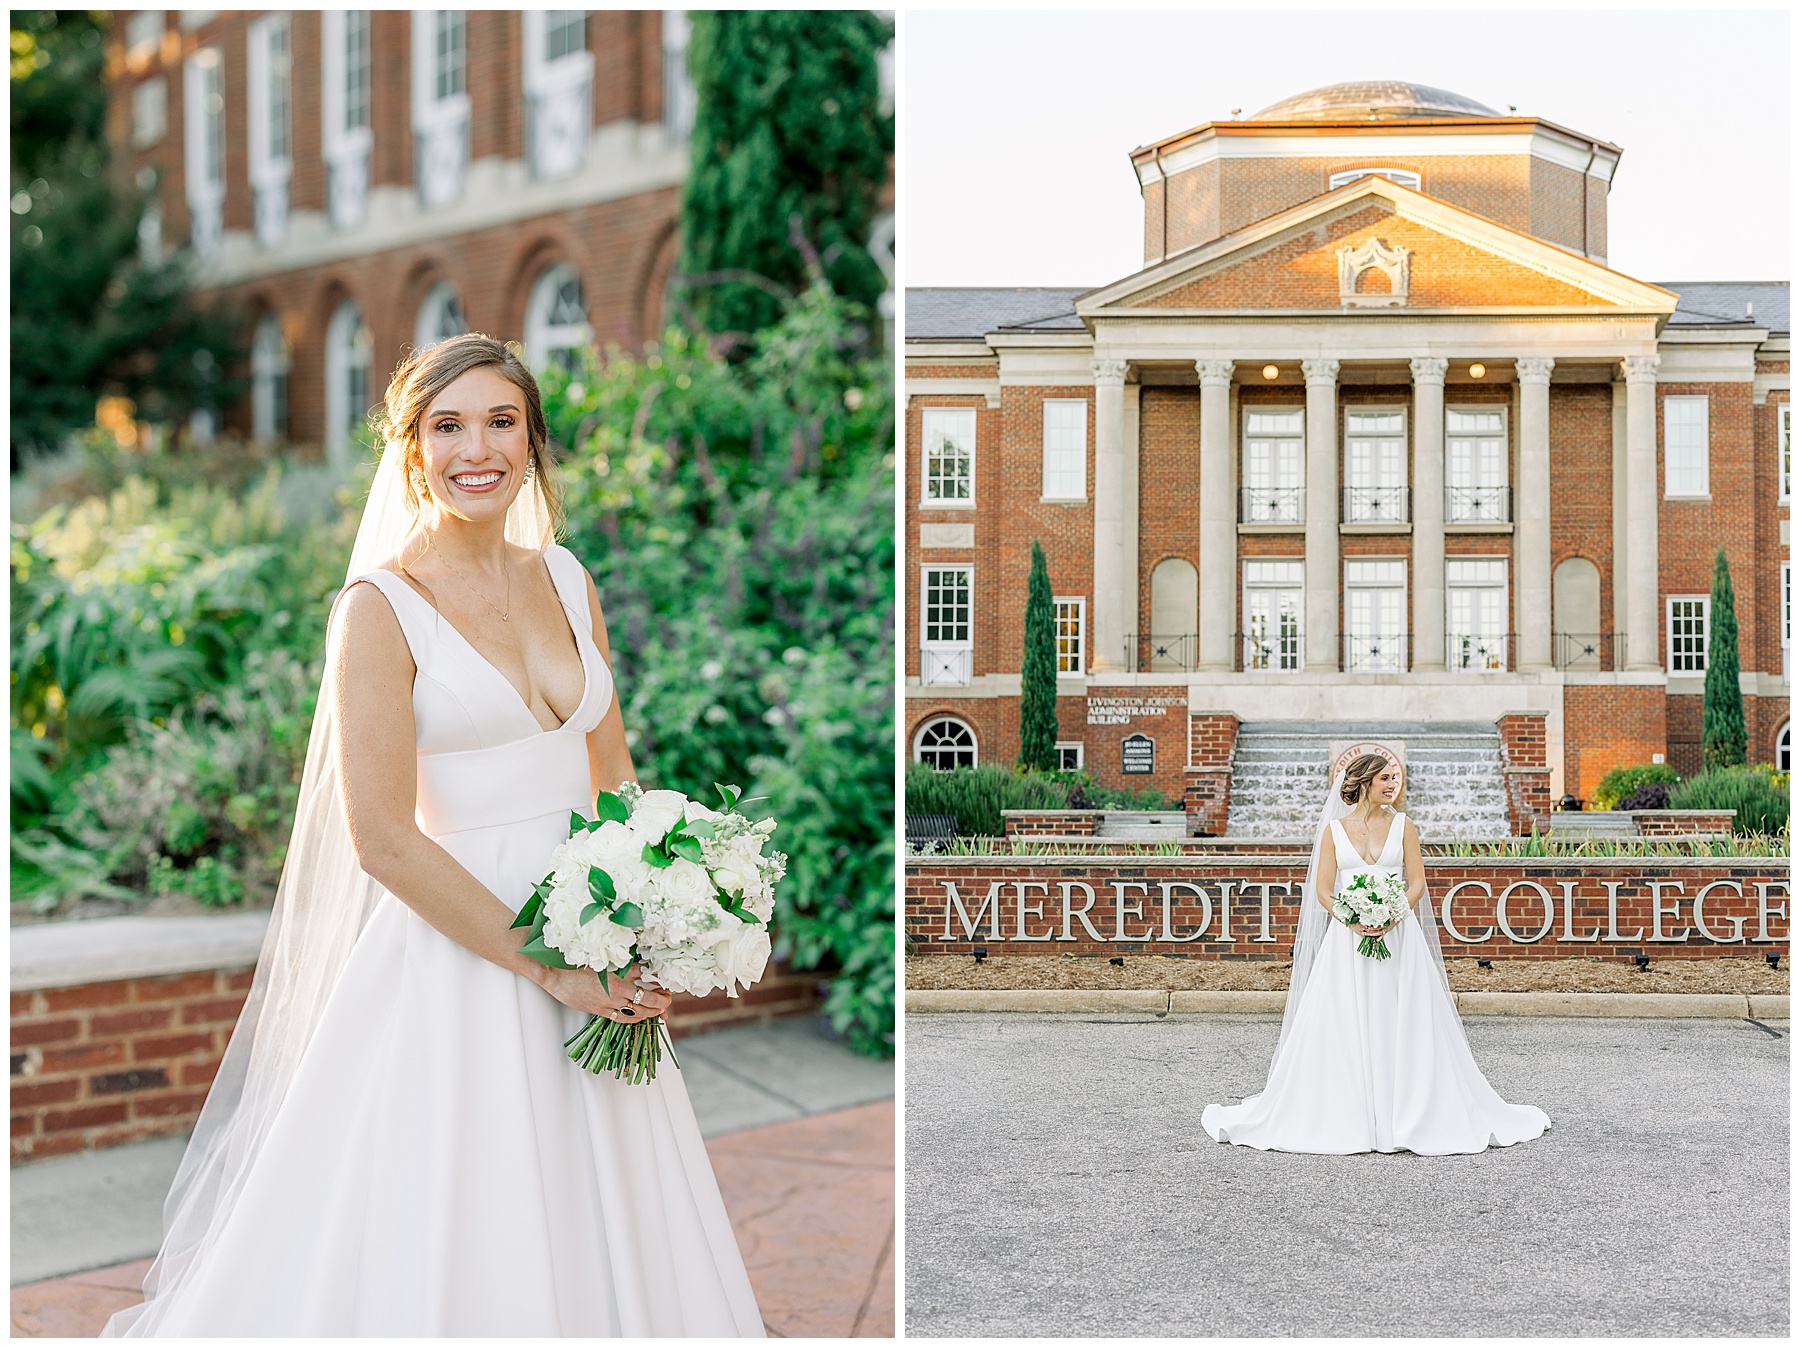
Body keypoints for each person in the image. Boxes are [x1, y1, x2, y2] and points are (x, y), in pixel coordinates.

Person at [105, 334, 764, 1336]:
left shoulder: (568, 576)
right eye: (447, 425)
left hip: (593, 927)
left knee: (612, 1204)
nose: (477, 448)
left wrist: (658, 922)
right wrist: (552, 967)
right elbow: (382, 838)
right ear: (410, 449)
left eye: (502, 421)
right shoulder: (377, 610)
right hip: (465, 952)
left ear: (534, 442)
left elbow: (615, 780)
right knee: (469, 1205)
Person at [1201, 752, 1551, 1156]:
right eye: (1384, 778)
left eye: (1393, 778)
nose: (1391, 785)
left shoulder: (1405, 827)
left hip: (1399, 939)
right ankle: (1346, 1113)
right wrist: (1351, 918)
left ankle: (1407, 1112)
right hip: (1346, 943)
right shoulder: (1333, 831)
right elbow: (1323, 890)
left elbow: (1416, 883)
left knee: (1401, 1016)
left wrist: (1392, 914)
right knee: (1344, 1019)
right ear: (1364, 782)